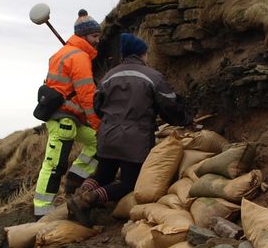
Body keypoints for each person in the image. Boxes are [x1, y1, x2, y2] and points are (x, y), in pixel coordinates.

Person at [68, 33, 190, 226]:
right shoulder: (152, 76)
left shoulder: (109, 76)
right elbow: (169, 106)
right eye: (146, 53)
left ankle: (78, 196)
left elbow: (96, 105)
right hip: (134, 140)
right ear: (141, 54)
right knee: (129, 184)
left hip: (107, 135)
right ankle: (86, 201)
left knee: (103, 174)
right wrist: (184, 120)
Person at [32, 10, 102, 216]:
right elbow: (87, 95)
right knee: (54, 165)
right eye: (95, 36)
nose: (98, 40)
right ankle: (42, 211)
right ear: (84, 36)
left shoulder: (63, 54)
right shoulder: (79, 58)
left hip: (69, 118)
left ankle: (74, 179)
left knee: (99, 143)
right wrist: (97, 124)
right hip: (64, 119)